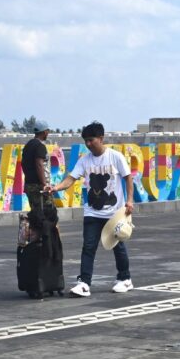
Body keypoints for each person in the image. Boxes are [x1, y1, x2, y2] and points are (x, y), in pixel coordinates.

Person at [51, 121, 134, 297]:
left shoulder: (115, 157)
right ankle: (84, 283)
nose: (88, 144)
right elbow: (71, 179)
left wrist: (130, 201)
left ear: (101, 138)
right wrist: (56, 188)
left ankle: (125, 279)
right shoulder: (84, 160)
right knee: (88, 246)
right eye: (86, 141)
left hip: (114, 213)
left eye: (91, 140)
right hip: (92, 212)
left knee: (118, 246)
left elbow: (128, 178)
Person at [22, 120, 55, 219]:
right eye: (48, 131)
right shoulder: (40, 146)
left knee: (35, 214)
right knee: (48, 214)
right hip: (39, 187)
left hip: (29, 185)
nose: (48, 133)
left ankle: (35, 234)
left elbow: (23, 164)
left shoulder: (28, 145)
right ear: (45, 132)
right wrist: (44, 184)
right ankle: (46, 234)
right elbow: (39, 165)